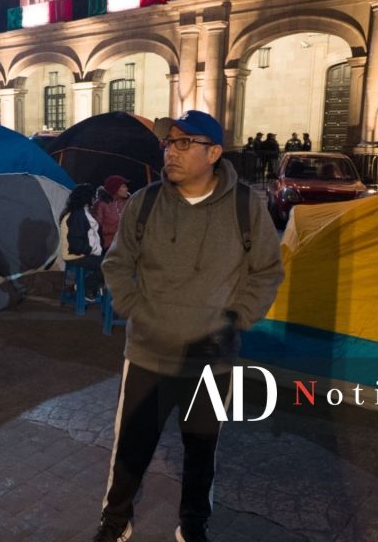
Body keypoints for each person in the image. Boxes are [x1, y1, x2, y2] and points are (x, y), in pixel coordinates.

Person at [93, 110, 284, 542]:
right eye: (168, 143)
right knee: (130, 451)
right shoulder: (145, 203)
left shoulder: (245, 206)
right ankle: (115, 521)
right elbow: (118, 264)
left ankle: (193, 526)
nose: (170, 152)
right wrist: (138, 310)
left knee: (201, 451)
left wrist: (234, 320)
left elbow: (267, 272)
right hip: (148, 352)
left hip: (210, 359)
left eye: (184, 143)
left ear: (213, 153)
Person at [61, 183, 105, 301]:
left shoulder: (80, 212)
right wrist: (92, 250)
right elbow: (76, 244)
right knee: (109, 265)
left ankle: (92, 287)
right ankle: (86, 287)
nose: (94, 199)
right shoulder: (77, 215)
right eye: (93, 196)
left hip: (82, 252)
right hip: (76, 254)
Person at [92, 174, 130, 252]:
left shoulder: (126, 203)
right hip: (108, 247)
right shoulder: (101, 204)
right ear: (115, 188)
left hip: (125, 244)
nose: (127, 189)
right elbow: (95, 228)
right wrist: (117, 229)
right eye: (123, 186)